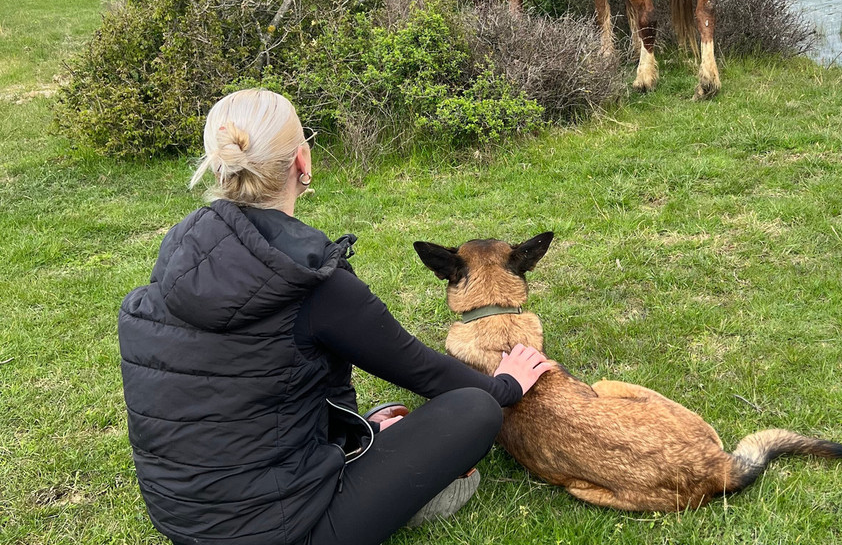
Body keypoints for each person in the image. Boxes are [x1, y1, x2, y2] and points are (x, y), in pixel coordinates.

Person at [118, 88, 553, 545]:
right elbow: (421, 370)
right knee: (475, 408)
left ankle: (355, 439)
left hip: (180, 518)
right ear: (303, 161)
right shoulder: (312, 281)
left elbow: (251, 380)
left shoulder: (180, 253)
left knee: (369, 419)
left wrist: (352, 431)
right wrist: (505, 384)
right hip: (286, 532)